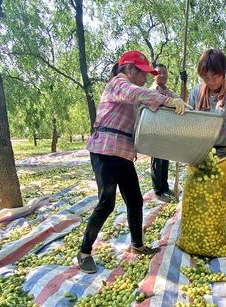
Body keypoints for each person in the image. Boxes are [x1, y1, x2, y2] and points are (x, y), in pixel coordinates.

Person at [77, 50, 190, 274]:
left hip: (123, 153)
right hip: (105, 151)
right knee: (107, 203)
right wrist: (168, 101)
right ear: (129, 69)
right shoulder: (118, 84)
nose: (146, 78)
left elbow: (147, 115)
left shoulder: (132, 92)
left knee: (135, 200)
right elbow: (138, 94)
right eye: (143, 73)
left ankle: (137, 244)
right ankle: (84, 251)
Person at [188, 49, 226, 249]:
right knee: (201, 192)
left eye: (215, 75)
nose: (210, 80)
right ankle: (205, 229)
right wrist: (190, 150)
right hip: (203, 150)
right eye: (206, 76)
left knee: (225, 192)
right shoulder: (197, 92)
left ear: (224, 72)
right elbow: (191, 120)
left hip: (224, 152)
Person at [149, 64, 178, 203]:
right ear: (154, 75)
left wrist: (184, 82)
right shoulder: (152, 90)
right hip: (155, 130)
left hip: (166, 130)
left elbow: (181, 100)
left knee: (165, 160)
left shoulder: (169, 91)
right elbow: (165, 103)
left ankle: (165, 187)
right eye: (159, 73)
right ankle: (158, 191)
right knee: (157, 161)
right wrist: (173, 103)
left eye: (165, 73)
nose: (162, 75)